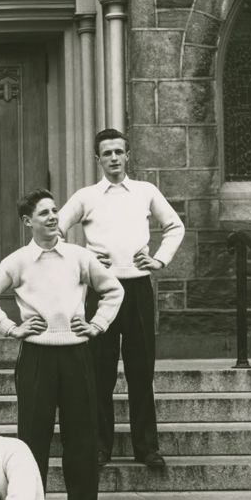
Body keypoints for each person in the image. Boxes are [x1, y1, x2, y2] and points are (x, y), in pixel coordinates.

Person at [0, 190, 123, 500]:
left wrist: (98, 324)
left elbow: (113, 289)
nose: (54, 217)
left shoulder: (79, 256)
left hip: (77, 357)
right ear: (28, 222)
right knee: (31, 445)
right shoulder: (19, 260)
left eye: (55, 211)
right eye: (44, 213)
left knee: (82, 442)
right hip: (37, 359)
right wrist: (12, 329)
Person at [58, 129, 185, 470]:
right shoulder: (86, 196)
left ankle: (147, 448)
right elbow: (54, 230)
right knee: (99, 373)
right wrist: (82, 261)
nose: (113, 158)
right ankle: (100, 447)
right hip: (101, 293)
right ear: (96, 159)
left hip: (138, 289)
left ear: (128, 156)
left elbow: (175, 226)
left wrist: (159, 260)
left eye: (118, 152)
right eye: (106, 153)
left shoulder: (145, 191)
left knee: (141, 371)